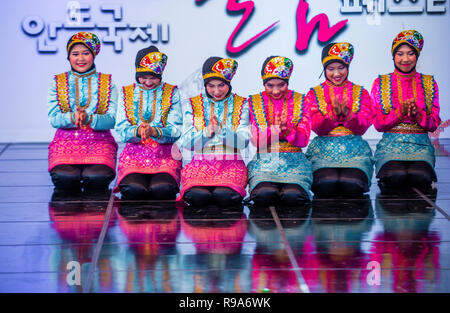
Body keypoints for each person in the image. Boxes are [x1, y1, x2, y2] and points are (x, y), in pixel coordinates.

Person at [48, 32, 118, 193]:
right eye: (75, 54)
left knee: (97, 179)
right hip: (65, 143)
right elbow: (53, 118)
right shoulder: (57, 82)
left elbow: (113, 119)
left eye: (86, 53)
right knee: (65, 179)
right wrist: (72, 117)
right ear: (68, 57)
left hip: (99, 142)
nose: (81, 58)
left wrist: (89, 118)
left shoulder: (107, 82)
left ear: (93, 55)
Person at [371, 30, 440, 192]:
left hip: (420, 145)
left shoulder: (429, 83)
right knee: (396, 177)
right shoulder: (381, 82)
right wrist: (400, 112)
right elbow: (378, 124)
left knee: (419, 177)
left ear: (417, 56)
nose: (405, 59)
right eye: (400, 54)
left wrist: (418, 115)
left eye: (410, 54)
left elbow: (434, 123)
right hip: (391, 145)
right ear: (393, 56)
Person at [178, 57, 250, 207]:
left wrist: (222, 131)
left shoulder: (242, 104)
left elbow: (243, 141)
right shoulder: (193, 104)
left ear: (228, 83)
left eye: (221, 85)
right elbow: (186, 142)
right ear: (205, 85)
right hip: (200, 163)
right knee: (197, 196)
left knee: (225, 196)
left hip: (231, 163)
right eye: (211, 86)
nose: (216, 91)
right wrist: (207, 132)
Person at [305, 42, 374, 197]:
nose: (336, 73)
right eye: (331, 69)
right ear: (324, 69)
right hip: (323, 150)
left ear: (348, 67)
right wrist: (333, 115)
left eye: (341, 68)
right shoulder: (314, 94)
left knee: (352, 185)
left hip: (354, 150)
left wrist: (348, 115)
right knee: (325, 185)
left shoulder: (360, 92)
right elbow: (316, 127)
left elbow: (363, 126)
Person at [114, 45, 182, 200]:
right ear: (137, 73)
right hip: (134, 155)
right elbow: (121, 128)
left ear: (161, 74)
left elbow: (176, 130)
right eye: (143, 76)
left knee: (162, 190)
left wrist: (155, 132)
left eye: (153, 77)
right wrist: (138, 131)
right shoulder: (126, 93)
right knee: (133, 190)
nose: (148, 82)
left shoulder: (172, 92)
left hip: (165, 155)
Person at [247, 56, 312, 206]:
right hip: (264, 162)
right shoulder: (254, 102)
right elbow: (256, 141)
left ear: (287, 82)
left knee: (293, 197)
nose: (275, 91)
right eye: (270, 85)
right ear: (264, 82)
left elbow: (303, 141)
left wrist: (288, 130)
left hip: (295, 162)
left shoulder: (301, 101)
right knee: (265, 195)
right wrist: (274, 129)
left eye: (281, 85)